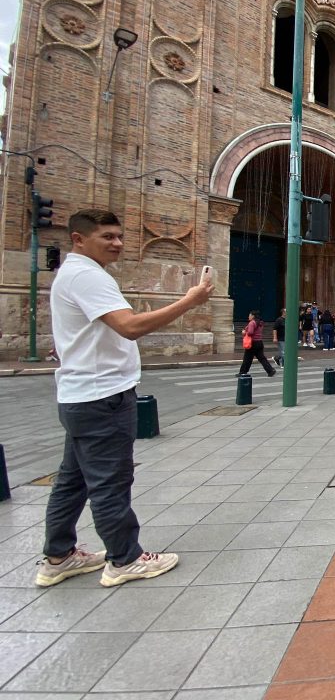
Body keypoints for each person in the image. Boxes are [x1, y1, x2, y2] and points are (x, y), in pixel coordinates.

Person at [36, 209, 213, 588]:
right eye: (107, 237)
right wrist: (190, 300)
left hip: (80, 395)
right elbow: (129, 326)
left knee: (73, 481)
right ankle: (125, 559)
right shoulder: (86, 275)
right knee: (110, 481)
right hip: (102, 396)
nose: (117, 243)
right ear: (78, 239)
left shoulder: (74, 273)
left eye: (119, 236)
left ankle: (58, 556)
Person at [238, 310, 276, 377]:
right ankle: (270, 370)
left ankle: (243, 372)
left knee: (247, 358)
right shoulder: (260, 323)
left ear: (253, 316)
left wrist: (244, 332)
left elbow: (250, 332)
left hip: (252, 343)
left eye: (249, 315)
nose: (248, 316)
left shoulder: (252, 323)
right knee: (262, 358)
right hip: (259, 342)